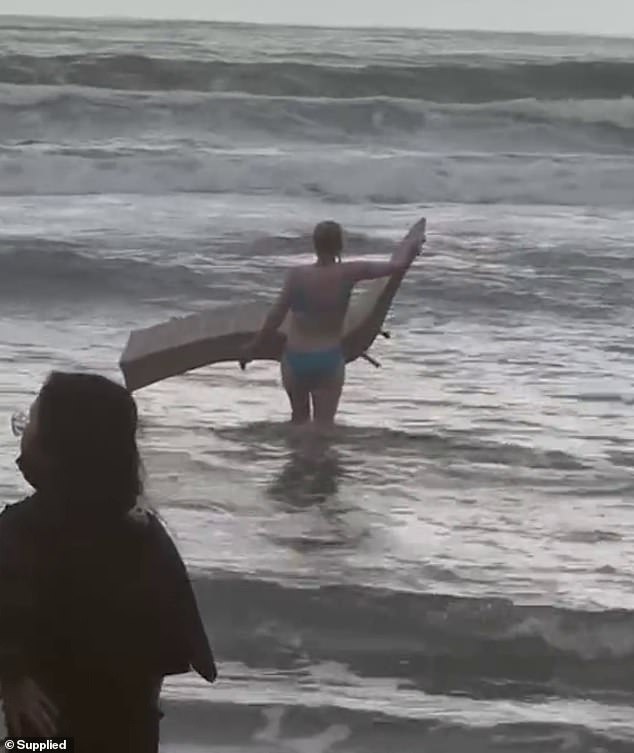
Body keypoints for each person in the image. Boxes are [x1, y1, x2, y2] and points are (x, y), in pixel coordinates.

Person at [0, 372, 216, 752]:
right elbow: (177, 640)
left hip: (46, 736)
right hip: (130, 732)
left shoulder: (19, 529)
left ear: (57, 448)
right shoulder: (145, 532)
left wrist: (12, 678)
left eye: (29, 422)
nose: (22, 433)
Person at [241, 217, 427, 427]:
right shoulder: (349, 272)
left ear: (315, 244)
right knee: (324, 428)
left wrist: (253, 347)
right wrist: (412, 246)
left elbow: (275, 316)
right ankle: (320, 459)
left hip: (295, 358)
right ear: (340, 245)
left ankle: (296, 459)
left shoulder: (296, 276)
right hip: (327, 359)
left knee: (298, 421)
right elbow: (396, 266)